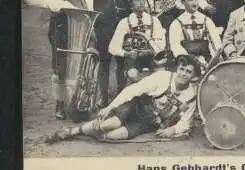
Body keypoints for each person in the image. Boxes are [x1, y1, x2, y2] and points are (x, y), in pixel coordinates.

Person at [45, 55, 201, 143]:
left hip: (146, 123)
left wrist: (173, 130)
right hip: (134, 106)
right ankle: (70, 132)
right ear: (177, 69)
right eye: (181, 69)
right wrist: (110, 107)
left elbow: (186, 121)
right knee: (109, 124)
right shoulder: (163, 77)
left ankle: (90, 129)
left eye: (188, 72)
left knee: (110, 137)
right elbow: (132, 90)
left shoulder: (191, 96)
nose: (183, 74)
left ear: (193, 76)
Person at [40, 0, 91, 119]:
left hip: (80, 29)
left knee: (79, 65)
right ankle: (60, 104)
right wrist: (75, 10)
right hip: (62, 29)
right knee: (61, 67)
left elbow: (86, 6)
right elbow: (55, 4)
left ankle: (77, 102)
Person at [83, 0, 134, 107]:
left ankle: (120, 97)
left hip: (120, 29)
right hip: (102, 30)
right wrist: (91, 31)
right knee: (104, 63)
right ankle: (103, 98)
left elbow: (128, 5)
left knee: (121, 62)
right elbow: (88, 11)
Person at [108, 0, 166, 83]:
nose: (141, 2)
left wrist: (152, 50)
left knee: (161, 74)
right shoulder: (124, 22)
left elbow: (161, 42)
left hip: (151, 56)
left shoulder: (154, 20)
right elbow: (112, 47)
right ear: (131, 3)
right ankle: (142, 89)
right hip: (133, 58)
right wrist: (126, 53)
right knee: (133, 74)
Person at [169, 0, 222, 71]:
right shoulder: (176, 23)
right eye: (190, 0)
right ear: (183, 2)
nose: (194, 3)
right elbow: (175, 46)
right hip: (186, 63)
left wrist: (213, 61)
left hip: (207, 61)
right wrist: (190, 61)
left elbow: (216, 42)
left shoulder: (206, 20)